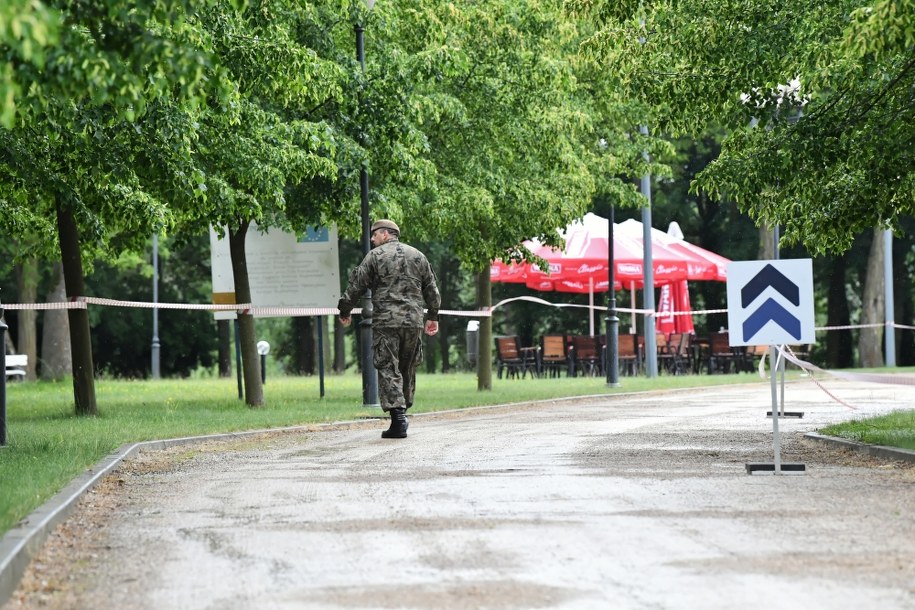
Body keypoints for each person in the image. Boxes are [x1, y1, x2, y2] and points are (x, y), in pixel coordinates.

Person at [337, 219, 441, 438]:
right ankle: (402, 413)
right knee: (407, 368)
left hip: (386, 323)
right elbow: (431, 288)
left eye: (374, 235)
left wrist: (344, 310)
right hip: (413, 322)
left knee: (387, 368)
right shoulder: (418, 255)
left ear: (385, 234)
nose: (372, 239)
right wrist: (433, 316)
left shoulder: (374, 257)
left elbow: (356, 285)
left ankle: (398, 420)